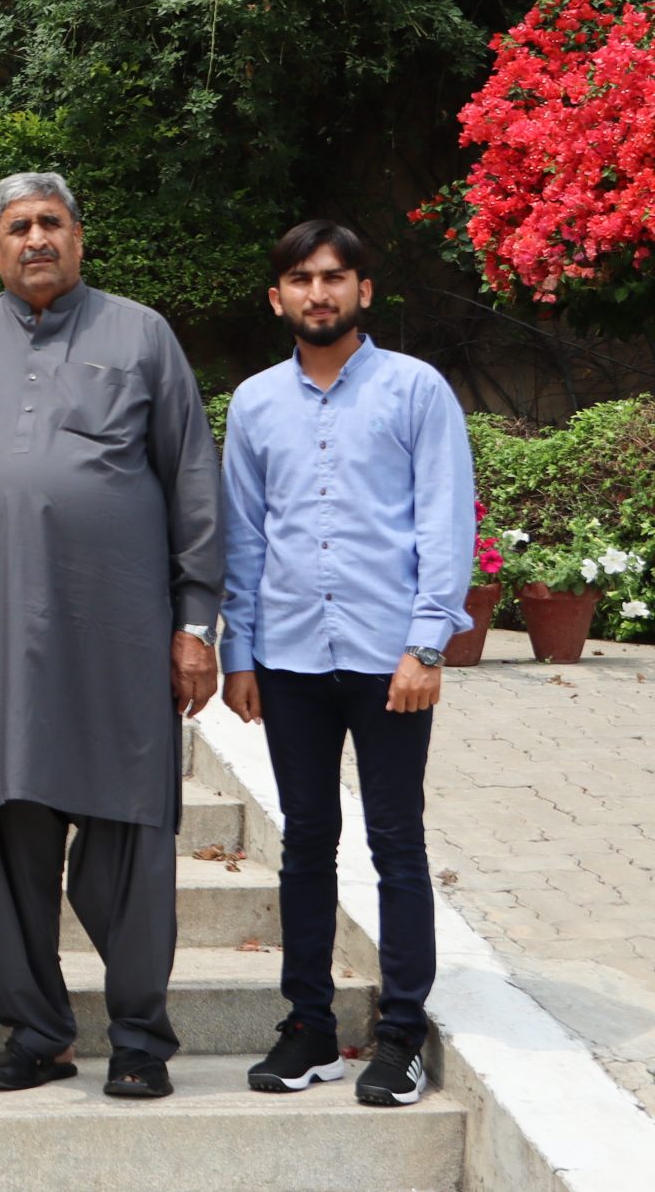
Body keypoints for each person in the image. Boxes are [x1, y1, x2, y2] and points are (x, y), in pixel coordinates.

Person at [0, 171, 225, 1101]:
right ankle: (36, 1033)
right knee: (3, 838)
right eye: (17, 226)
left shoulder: (140, 333)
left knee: (130, 830)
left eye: (51, 222)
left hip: (117, 636)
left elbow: (192, 478)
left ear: (79, 237)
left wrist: (195, 622)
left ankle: (139, 1038)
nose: (35, 238)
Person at [222, 221, 471, 1108]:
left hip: (389, 656)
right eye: (300, 278)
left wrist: (427, 644)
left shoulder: (415, 389)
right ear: (277, 298)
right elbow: (245, 534)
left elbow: (445, 517)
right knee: (306, 840)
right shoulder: (255, 403)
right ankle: (310, 1027)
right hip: (289, 656)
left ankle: (400, 1032)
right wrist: (239, 651)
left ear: (363, 289)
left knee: (396, 840)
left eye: (334, 277)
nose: (318, 292)